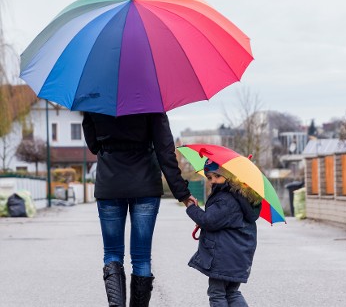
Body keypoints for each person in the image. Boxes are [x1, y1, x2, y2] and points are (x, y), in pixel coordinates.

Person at [82, 112, 196, 307]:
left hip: (110, 183)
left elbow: (93, 145)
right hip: (145, 184)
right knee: (142, 257)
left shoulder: (95, 98)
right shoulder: (152, 101)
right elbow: (165, 151)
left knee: (112, 254)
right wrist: (182, 193)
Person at [185, 159, 262, 307]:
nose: (213, 181)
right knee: (232, 293)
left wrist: (191, 207)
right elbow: (219, 220)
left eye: (217, 176)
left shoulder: (226, 198)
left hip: (223, 257)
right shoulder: (241, 196)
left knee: (217, 294)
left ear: (229, 176)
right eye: (209, 177)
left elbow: (209, 221)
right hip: (238, 256)